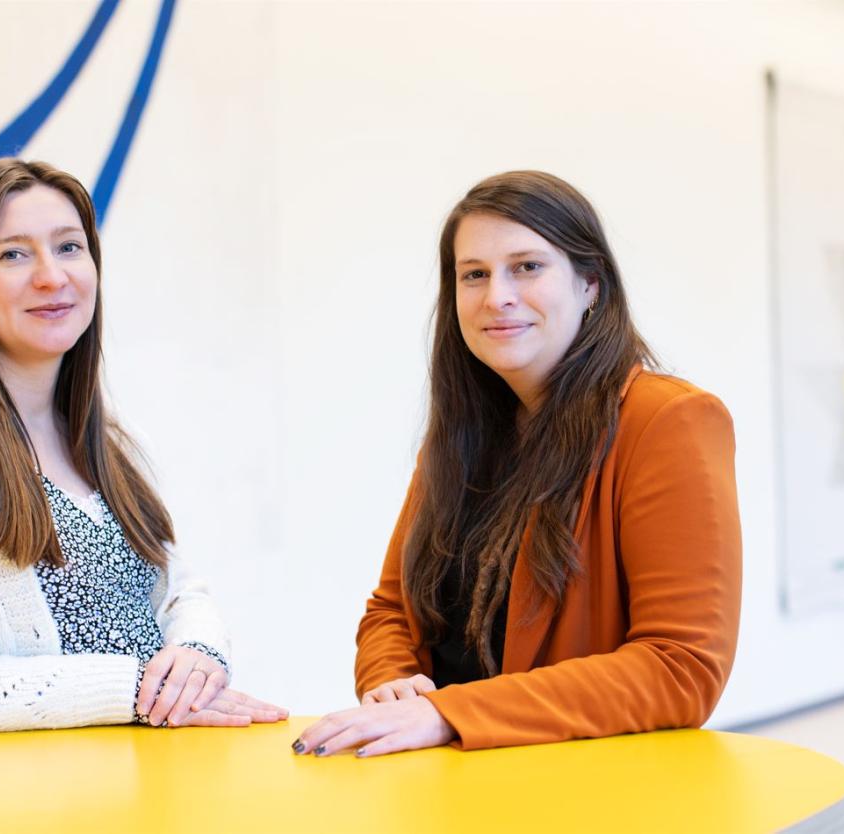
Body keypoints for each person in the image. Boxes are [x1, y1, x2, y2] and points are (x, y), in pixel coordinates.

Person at [0, 159, 285, 735]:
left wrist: (199, 653)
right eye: (13, 254)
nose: (51, 276)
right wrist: (134, 690)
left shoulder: (104, 436)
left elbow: (176, 590)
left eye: (69, 247)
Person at [295, 171, 741, 757]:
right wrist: (393, 689)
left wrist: (448, 714)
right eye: (473, 274)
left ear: (591, 285)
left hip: (581, 792)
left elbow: (679, 667)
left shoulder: (667, 420)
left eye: (527, 267)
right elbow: (391, 612)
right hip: (447, 785)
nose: (496, 296)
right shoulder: (460, 436)